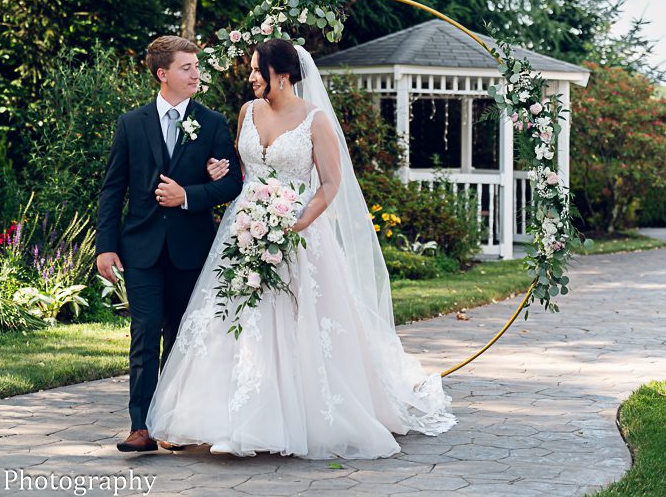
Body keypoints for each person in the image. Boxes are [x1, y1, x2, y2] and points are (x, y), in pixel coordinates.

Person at [146, 38, 456, 459]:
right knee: (230, 320)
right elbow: (241, 170)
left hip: (298, 235)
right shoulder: (247, 113)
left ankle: (287, 417)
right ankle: (216, 418)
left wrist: (298, 221)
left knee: (296, 324)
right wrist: (217, 169)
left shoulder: (316, 121)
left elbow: (330, 184)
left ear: (283, 75)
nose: (251, 77)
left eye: (258, 70)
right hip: (244, 230)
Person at [96, 35, 243, 452]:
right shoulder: (131, 123)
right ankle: (140, 426)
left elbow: (233, 182)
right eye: (187, 67)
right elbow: (113, 189)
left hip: (190, 247)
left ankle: (173, 424)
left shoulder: (212, 123)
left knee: (181, 337)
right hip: (140, 247)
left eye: (197, 67)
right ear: (163, 74)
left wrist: (189, 196)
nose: (197, 74)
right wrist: (105, 246)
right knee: (144, 332)